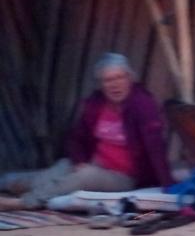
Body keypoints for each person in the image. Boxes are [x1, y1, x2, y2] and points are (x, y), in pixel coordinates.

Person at [0, 53, 171, 211]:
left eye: (119, 77)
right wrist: (79, 160)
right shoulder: (96, 104)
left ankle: (24, 203)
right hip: (94, 162)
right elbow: (75, 137)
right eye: (108, 80)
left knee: (84, 176)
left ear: (130, 78)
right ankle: (6, 182)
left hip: (124, 176)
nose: (115, 84)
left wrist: (167, 185)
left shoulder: (142, 105)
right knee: (58, 170)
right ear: (101, 84)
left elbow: (155, 145)